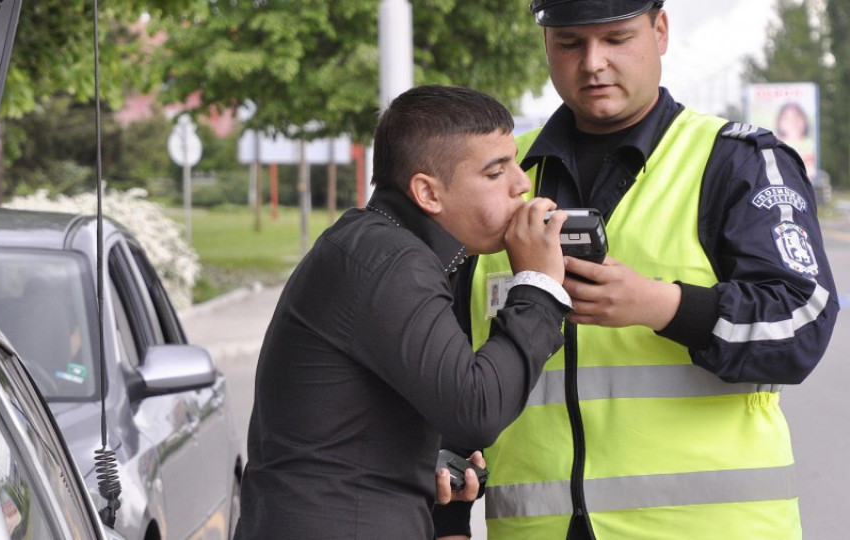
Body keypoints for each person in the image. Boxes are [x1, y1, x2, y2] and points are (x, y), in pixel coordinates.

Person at [434, 1, 840, 539]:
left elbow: (803, 323)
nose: (593, 63)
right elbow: (443, 368)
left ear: (661, 31)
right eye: (571, 43)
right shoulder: (501, 175)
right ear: (547, 45)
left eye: (617, 39)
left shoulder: (735, 162)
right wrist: (448, 516)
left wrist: (661, 306)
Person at [233, 84, 574, 540]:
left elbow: (344, 432)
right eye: (496, 173)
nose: (521, 184)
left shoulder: (378, 245)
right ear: (428, 194)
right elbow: (476, 409)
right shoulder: (393, 261)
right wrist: (540, 286)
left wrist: (425, 462)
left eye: (514, 161)